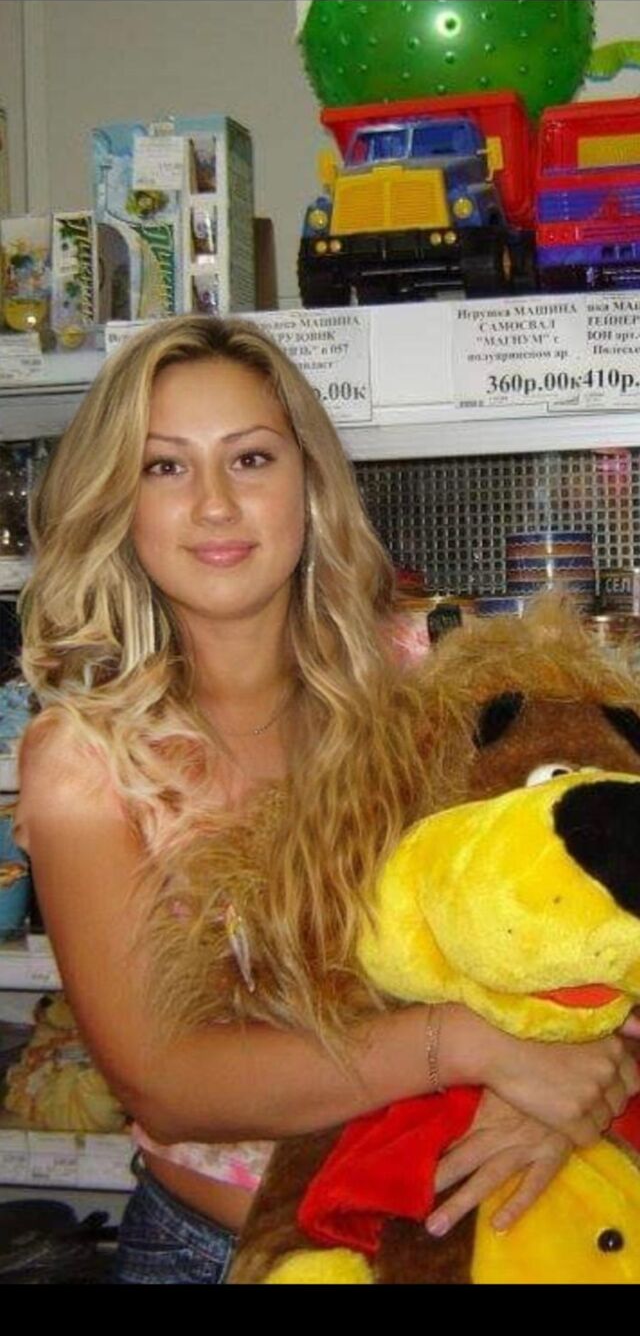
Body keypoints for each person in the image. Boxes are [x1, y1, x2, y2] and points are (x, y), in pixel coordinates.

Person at [13, 315, 640, 1285]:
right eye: (165, 466)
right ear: (117, 501)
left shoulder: (427, 682)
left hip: (478, 1237)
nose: (215, 504)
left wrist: (568, 1085)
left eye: (250, 458)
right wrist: (467, 1047)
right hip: (219, 1255)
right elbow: (166, 1081)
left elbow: (594, 905)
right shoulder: (87, 764)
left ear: (308, 483)